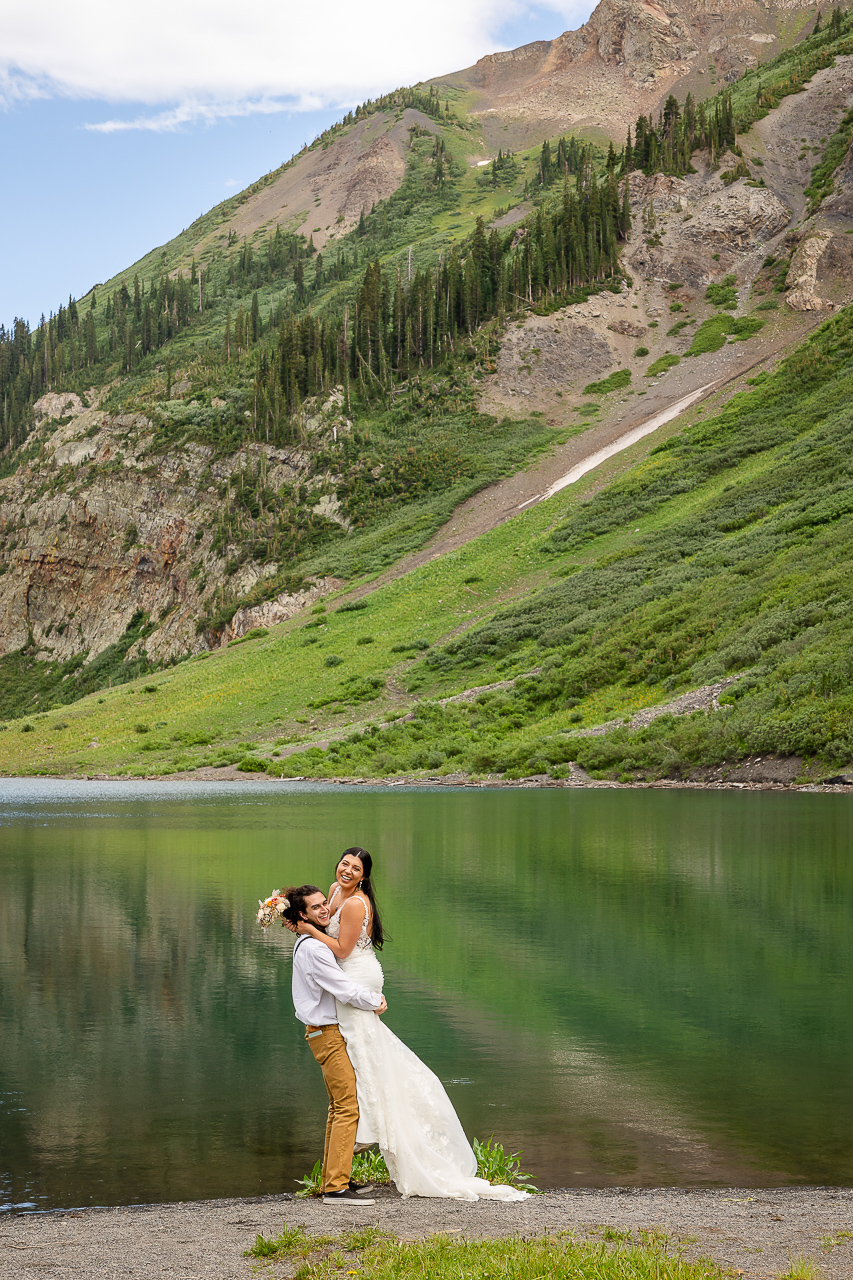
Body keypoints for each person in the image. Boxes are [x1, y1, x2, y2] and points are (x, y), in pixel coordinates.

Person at [293, 847, 529, 1202]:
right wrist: (309, 928)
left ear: (364, 876)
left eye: (355, 868)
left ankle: (345, 1166)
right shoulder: (332, 893)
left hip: (355, 975)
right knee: (355, 1084)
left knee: (358, 1079)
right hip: (346, 992)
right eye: (344, 863)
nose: (347, 870)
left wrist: (307, 929)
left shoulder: (354, 905)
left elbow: (341, 950)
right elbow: (328, 933)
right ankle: (343, 1168)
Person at [282, 883, 388, 1206]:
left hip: (323, 1031)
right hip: (326, 1032)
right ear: (302, 915)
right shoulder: (314, 950)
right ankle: (335, 1188)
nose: (324, 908)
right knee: (347, 1106)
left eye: (323, 903)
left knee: (336, 1107)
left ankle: (335, 1177)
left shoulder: (310, 941)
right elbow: (342, 988)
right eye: (315, 908)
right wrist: (375, 1001)